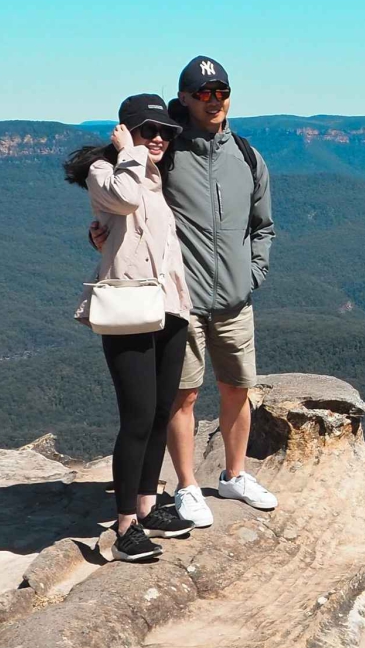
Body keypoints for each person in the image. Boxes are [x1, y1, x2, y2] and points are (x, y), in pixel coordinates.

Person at [91, 56, 277, 527]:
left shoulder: (248, 157)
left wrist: (253, 273)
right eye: (203, 93)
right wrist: (103, 234)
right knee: (183, 397)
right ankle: (188, 486)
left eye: (221, 92)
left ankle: (235, 475)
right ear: (186, 98)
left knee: (238, 389)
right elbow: (128, 202)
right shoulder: (169, 151)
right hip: (181, 301)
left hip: (235, 299)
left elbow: (263, 225)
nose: (214, 101)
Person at [67, 95, 199, 562]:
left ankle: (147, 506)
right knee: (138, 417)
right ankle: (124, 528)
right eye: (147, 130)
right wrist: (129, 152)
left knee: (161, 411)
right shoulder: (105, 171)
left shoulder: (153, 176)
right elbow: (122, 201)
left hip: (169, 307)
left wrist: (101, 239)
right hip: (127, 308)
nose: (158, 138)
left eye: (165, 131)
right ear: (125, 131)